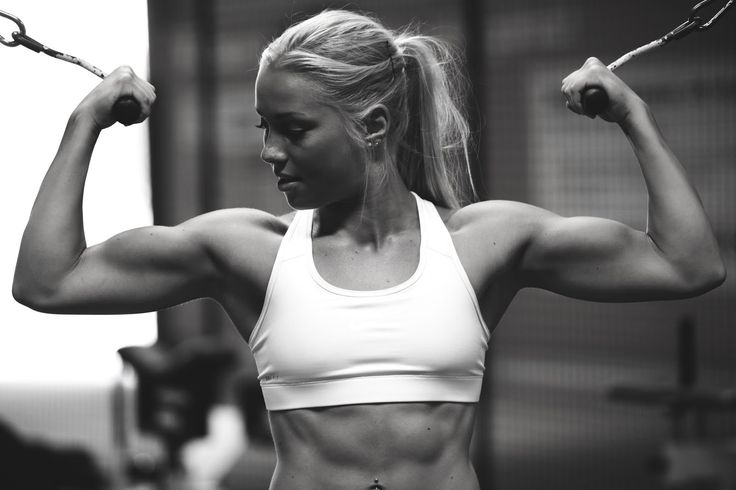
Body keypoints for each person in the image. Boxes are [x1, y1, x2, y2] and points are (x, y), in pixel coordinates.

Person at [12, 8, 725, 490]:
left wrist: (633, 115)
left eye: (293, 129)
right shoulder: (247, 251)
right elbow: (48, 281)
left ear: (374, 124)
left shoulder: (483, 243)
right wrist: (87, 119)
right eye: (264, 126)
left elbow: (687, 263)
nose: (269, 151)